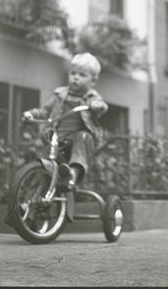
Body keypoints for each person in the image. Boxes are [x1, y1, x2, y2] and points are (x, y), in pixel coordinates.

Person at [23, 52, 108, 189]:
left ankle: (73, 172)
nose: (76, 77)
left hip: (77, 142)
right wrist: (31, 114)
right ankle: (32, 189)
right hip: (58, 139)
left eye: (82, 75)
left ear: (93, 81)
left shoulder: (92, 97)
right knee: (43, 154)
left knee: (84, 137)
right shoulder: (60, 94)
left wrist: (96, 106)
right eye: (73, 73)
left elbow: (101, 106)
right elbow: (45, 111)